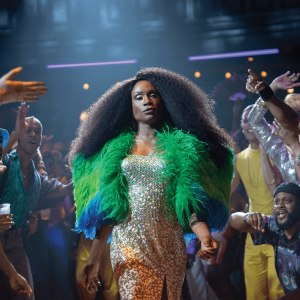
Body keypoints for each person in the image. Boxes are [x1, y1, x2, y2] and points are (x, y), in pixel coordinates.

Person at [69, 67, 234, 299]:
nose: (147, 101)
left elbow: (188, 205)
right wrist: (93, 260)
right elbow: (110, 210)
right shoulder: (116, 150)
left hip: (170, 247)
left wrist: (205, 237)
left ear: (164, 101)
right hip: (129, 246)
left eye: (153, 95)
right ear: (130, 106)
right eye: (139, 97)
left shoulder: (181, 149)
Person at [0, 103, 73, 300]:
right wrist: (15, 132)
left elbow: (63, 189)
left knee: (26, 295)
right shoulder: (6, 162)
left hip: (15, 243)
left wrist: (79, 174)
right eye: (28, 130)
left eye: (37, 132)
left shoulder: (36, 178)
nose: (33, 134)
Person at [231, 105, 285, 299]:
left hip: (279, 234)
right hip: (253, 235)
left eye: (254, 120)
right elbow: (226, 192)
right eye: (245, 120)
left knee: (278, 291)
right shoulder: (239, 159)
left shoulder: (278, 153)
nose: (249, 124)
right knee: (254, 293)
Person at [228, 182, 300, 300]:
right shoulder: (276, 228)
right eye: (276, 202)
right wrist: (247, 217)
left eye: (287, 200)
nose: (280, 205)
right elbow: (233, 220)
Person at [247, 71, 300, 184]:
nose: (285, 118)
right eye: (281, 113)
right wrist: (269, 88)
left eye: (294, 113)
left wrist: (295, 145)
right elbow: (253, 120)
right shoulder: (278, 146)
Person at [246, 69, 300, 133]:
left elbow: (292, 122)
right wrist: (268, 89)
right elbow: (253, 119)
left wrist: (267, 90)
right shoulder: (275, 137)